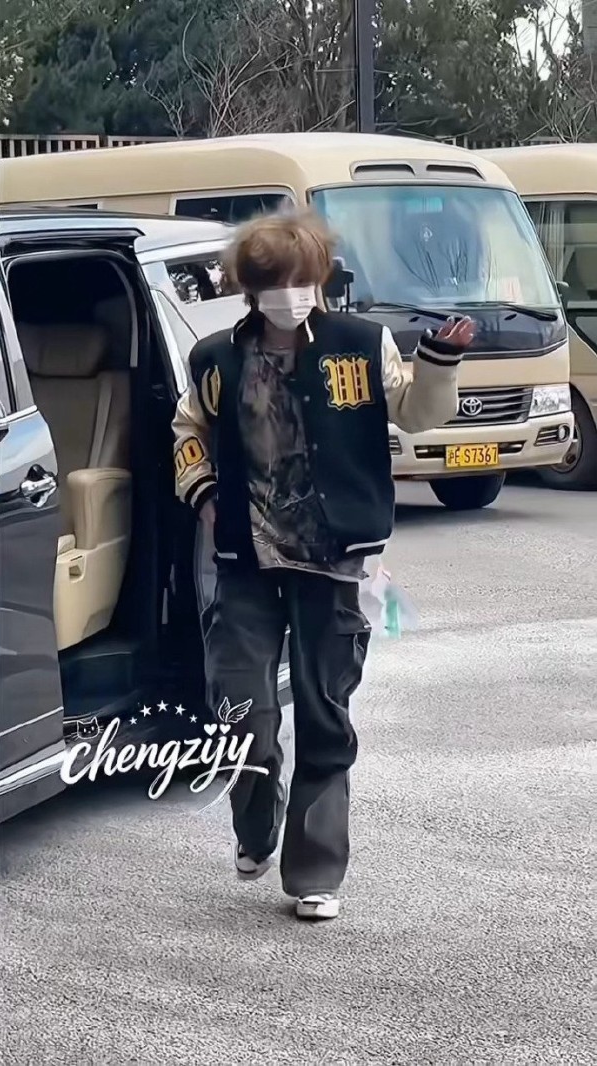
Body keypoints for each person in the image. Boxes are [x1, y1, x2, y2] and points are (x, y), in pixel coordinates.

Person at [172, 208, 475, 921]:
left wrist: (439, 361)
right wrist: (205, 494)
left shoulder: (361, 345)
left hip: (336, 563)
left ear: (320, 280)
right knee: (241, 709)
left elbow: (419, 414)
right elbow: (189, 430)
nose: (293, 294)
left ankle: (314, 870)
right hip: (245, 559)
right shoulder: (215, 358)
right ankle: (256, 825)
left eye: (304, 280)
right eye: (278, 282)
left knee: (323, 714)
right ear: (252, 287)